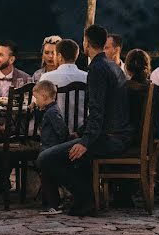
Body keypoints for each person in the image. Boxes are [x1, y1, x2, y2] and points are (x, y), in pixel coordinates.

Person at [37, 25, 134, 217]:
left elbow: (97, 112)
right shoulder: (114, 67)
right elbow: (102, 111)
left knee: (45, 158)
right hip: (119, 134)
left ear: (86, 43)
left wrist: (85, 142)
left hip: (108, 138)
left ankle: (86, 196)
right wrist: (80, 133)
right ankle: (83, 197)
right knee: (66, 151)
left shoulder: (97, 69)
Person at [33, 80, 68, 214]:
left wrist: (60, 145)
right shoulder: (50, 110)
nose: (36, 101)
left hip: (51, 149)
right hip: (48, 148)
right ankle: (51, 202)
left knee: (49, 178)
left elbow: (61, 130)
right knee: (47, 177)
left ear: (44, 97)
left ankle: (54, 203)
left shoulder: (52, 112)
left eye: (37, 98)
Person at [39, 38, 88, 130]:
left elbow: (38, 105)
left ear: (59, 56)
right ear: (76, 56)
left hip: (55, 132)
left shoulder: (47, 78)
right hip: (81, 132)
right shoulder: (87, 77)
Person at [123, 49, 159, 141]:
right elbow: (157, 126)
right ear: (147, 67)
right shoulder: (155, 89)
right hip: (148, 143)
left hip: (125, 142)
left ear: (127, 68)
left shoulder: (122, 88)